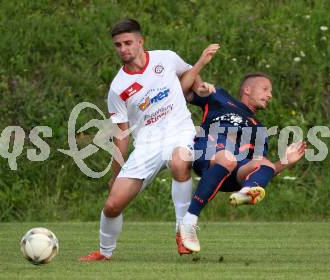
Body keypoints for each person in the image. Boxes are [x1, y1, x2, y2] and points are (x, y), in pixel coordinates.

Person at [79, 19, 219, 261]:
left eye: (128, 43)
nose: (123, 49)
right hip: (147, 144)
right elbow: (121, 137)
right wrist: (115, 175)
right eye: (118, 45)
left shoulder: (166, 58)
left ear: (140, 42)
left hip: (180, 131)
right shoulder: (118, 88)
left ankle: (183, 231)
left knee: (179, 161)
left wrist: (201, 89)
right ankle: (104, 252)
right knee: (112, 205)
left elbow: (186, 74)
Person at [179, 72, 307, 252]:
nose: (269, 95)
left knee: (265, 163)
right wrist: (201, 76)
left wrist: (285, 161)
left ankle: (247, 191)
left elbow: (262, 170)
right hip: (208, 153)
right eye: (265, 89)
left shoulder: (259, 129)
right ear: (247, 89)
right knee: (228, 158)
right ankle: (189, 221)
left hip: (233, 173)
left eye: (270, 91)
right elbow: (182, 92)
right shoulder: (220, 97)